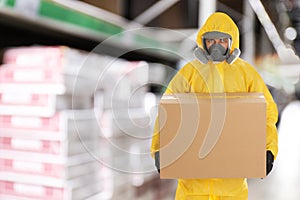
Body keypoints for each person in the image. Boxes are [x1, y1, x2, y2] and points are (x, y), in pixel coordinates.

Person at [151, 12, 278, 200]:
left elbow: (266, 114)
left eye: (222, 40)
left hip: (231, 186)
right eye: (210, 41)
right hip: (192, 185)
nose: (216, 46)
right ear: (203, 42)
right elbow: (168, 111)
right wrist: (159, 149)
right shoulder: (189, 72)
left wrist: (268, 150)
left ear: (231, 41)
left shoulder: (246, 74)